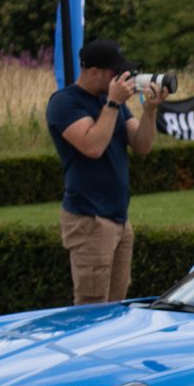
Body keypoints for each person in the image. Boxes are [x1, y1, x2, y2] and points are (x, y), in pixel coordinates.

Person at [46, 37, 161, 305]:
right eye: (115, 73)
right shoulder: (65, 103)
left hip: (119, 219)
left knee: (117, 305)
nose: (121, 79)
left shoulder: (112, 102)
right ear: (94, 72)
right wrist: (112, 104)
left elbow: (142, 145)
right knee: (92, 306)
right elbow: (93, 146)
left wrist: (150, 111)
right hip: (89, 219)